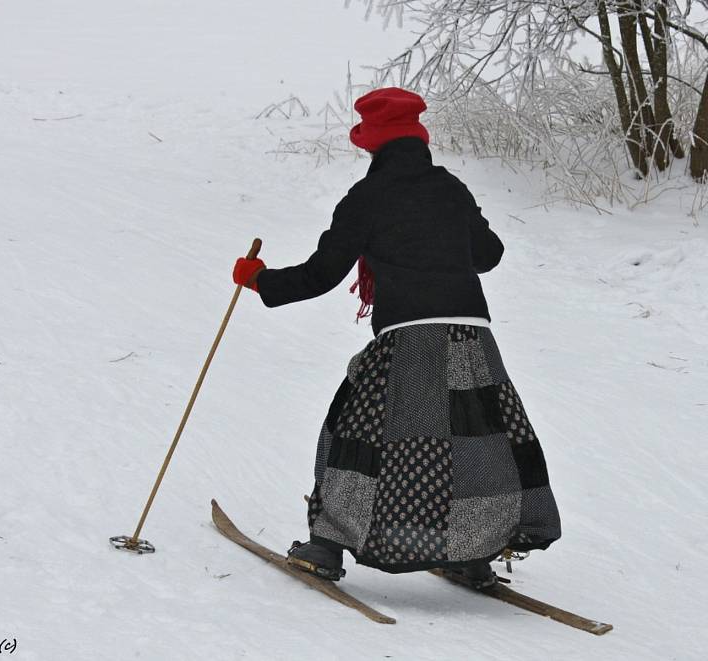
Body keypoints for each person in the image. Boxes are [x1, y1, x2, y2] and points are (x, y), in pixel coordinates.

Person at [232, 87, 561, 589]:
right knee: (475, 440)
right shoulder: (450, 188)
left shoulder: (367, 198)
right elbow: (488, 254)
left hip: (409, 336)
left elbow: (321, 274)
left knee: (359, 439)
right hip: (471, 335)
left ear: (373, 144)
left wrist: (260, 279)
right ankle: (471, 554)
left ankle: (326, 546)